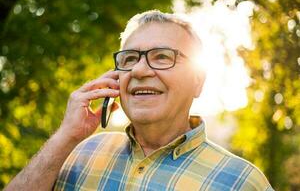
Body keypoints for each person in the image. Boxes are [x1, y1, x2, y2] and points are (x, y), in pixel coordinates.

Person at [4, 10, 274, 191]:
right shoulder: (78, 153)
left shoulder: (242, 182)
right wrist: (66, 136)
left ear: (198, 80)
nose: (140, 70)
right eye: (130, 59)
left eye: (162, 57)